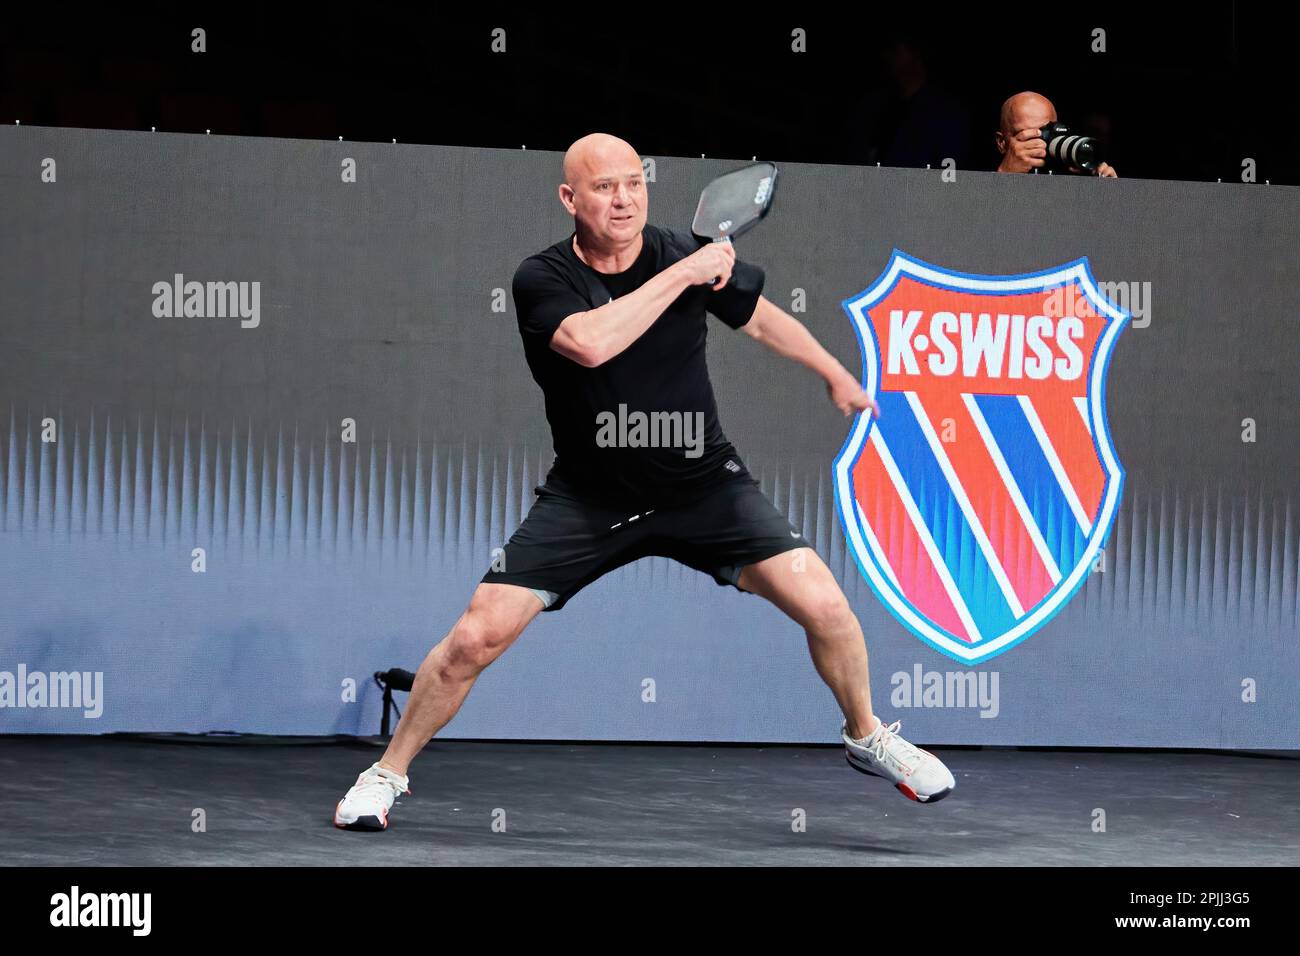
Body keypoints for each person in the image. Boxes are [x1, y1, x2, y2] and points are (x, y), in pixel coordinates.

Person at [333, 133, 956, 831]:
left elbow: (759, 320)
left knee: (828, 607)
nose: (623, 198)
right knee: (475, 637)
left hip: (705, 486)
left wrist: (832, 371)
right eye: (603, 187)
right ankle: (385, 774)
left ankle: (867, 736)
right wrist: (687, 273)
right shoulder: (542, 277)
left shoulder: (681, 255)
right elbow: (593, 342)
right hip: (590, 496)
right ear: (570, 199)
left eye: (634, 182)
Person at [995, 91, 1118, 177]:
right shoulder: (982, 187)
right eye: (1029, 135)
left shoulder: (1072, 175)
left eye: (1048, 133)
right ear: (1001, 142)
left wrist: (1106, 191)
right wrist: (1004, 175)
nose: (1040, 143)